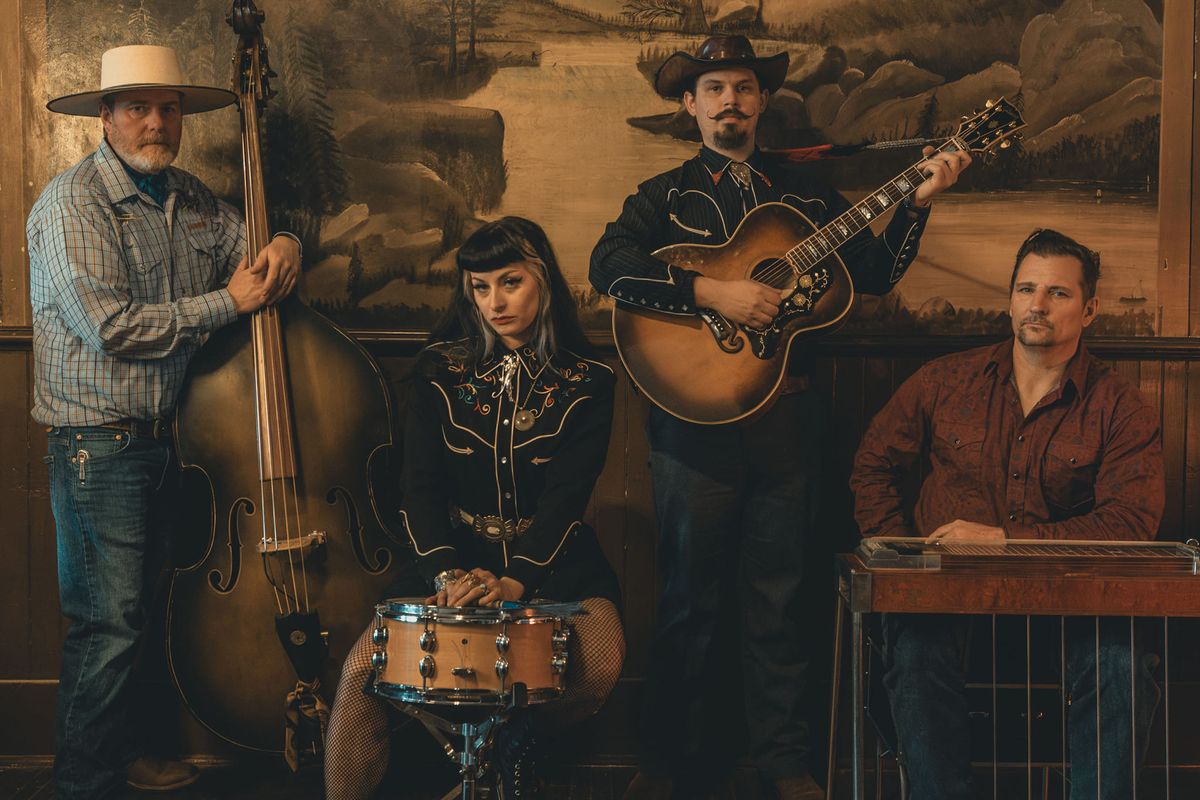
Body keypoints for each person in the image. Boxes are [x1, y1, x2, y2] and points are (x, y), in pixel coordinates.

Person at [589, 35, 970, 800]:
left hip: (786, 423)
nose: (730, 99)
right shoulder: (661, 197)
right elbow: (609, 268)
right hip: (689, 425)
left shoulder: (808, 202)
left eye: (743, 87)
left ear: (760, 102)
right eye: (713, 88)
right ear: (690, 105)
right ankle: (671, 766)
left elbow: (872, 276)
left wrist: (916, 204)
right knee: (687, 601)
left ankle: (785, 764)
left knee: (781, 596)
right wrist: (713, 294)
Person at [28, 44, 302, 798]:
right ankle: (83, 783)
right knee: (107, 626)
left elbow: (255, 249)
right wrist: (228, 303)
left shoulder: (190, 197)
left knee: (145, 618)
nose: (158, 122)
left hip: (166, 441)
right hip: (97, 446)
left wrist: (285, 243)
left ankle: (130, 758)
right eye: (140, 108)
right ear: (106, 117)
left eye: (170, 108)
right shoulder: (72, 201)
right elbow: (110, 327)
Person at [850, 229, 1164, 799]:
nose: (1037, 305)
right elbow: (873, 464)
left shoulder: (1120, 405)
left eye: (1058, 293)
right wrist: (901, 555)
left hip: (1070, 603)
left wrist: (1006, 540)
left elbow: (1131, 524)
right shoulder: (945, 381)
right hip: (943, 597)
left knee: (1120, 661)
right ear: (1010, 298)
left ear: (1089, 309)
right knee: (914, 651)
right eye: (1025, 289)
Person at [325, 216, 626, 800]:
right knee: (362, 668)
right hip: (452, 555)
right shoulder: (438, 371)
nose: (495, 302)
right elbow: (419, 489)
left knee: (601, 661)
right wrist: (448, 572)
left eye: (510, 282)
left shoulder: (591, 382)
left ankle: (515, 745)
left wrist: (516, 581)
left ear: (543, 278)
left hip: (552, 558)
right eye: (480, 288)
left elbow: (569, 498)